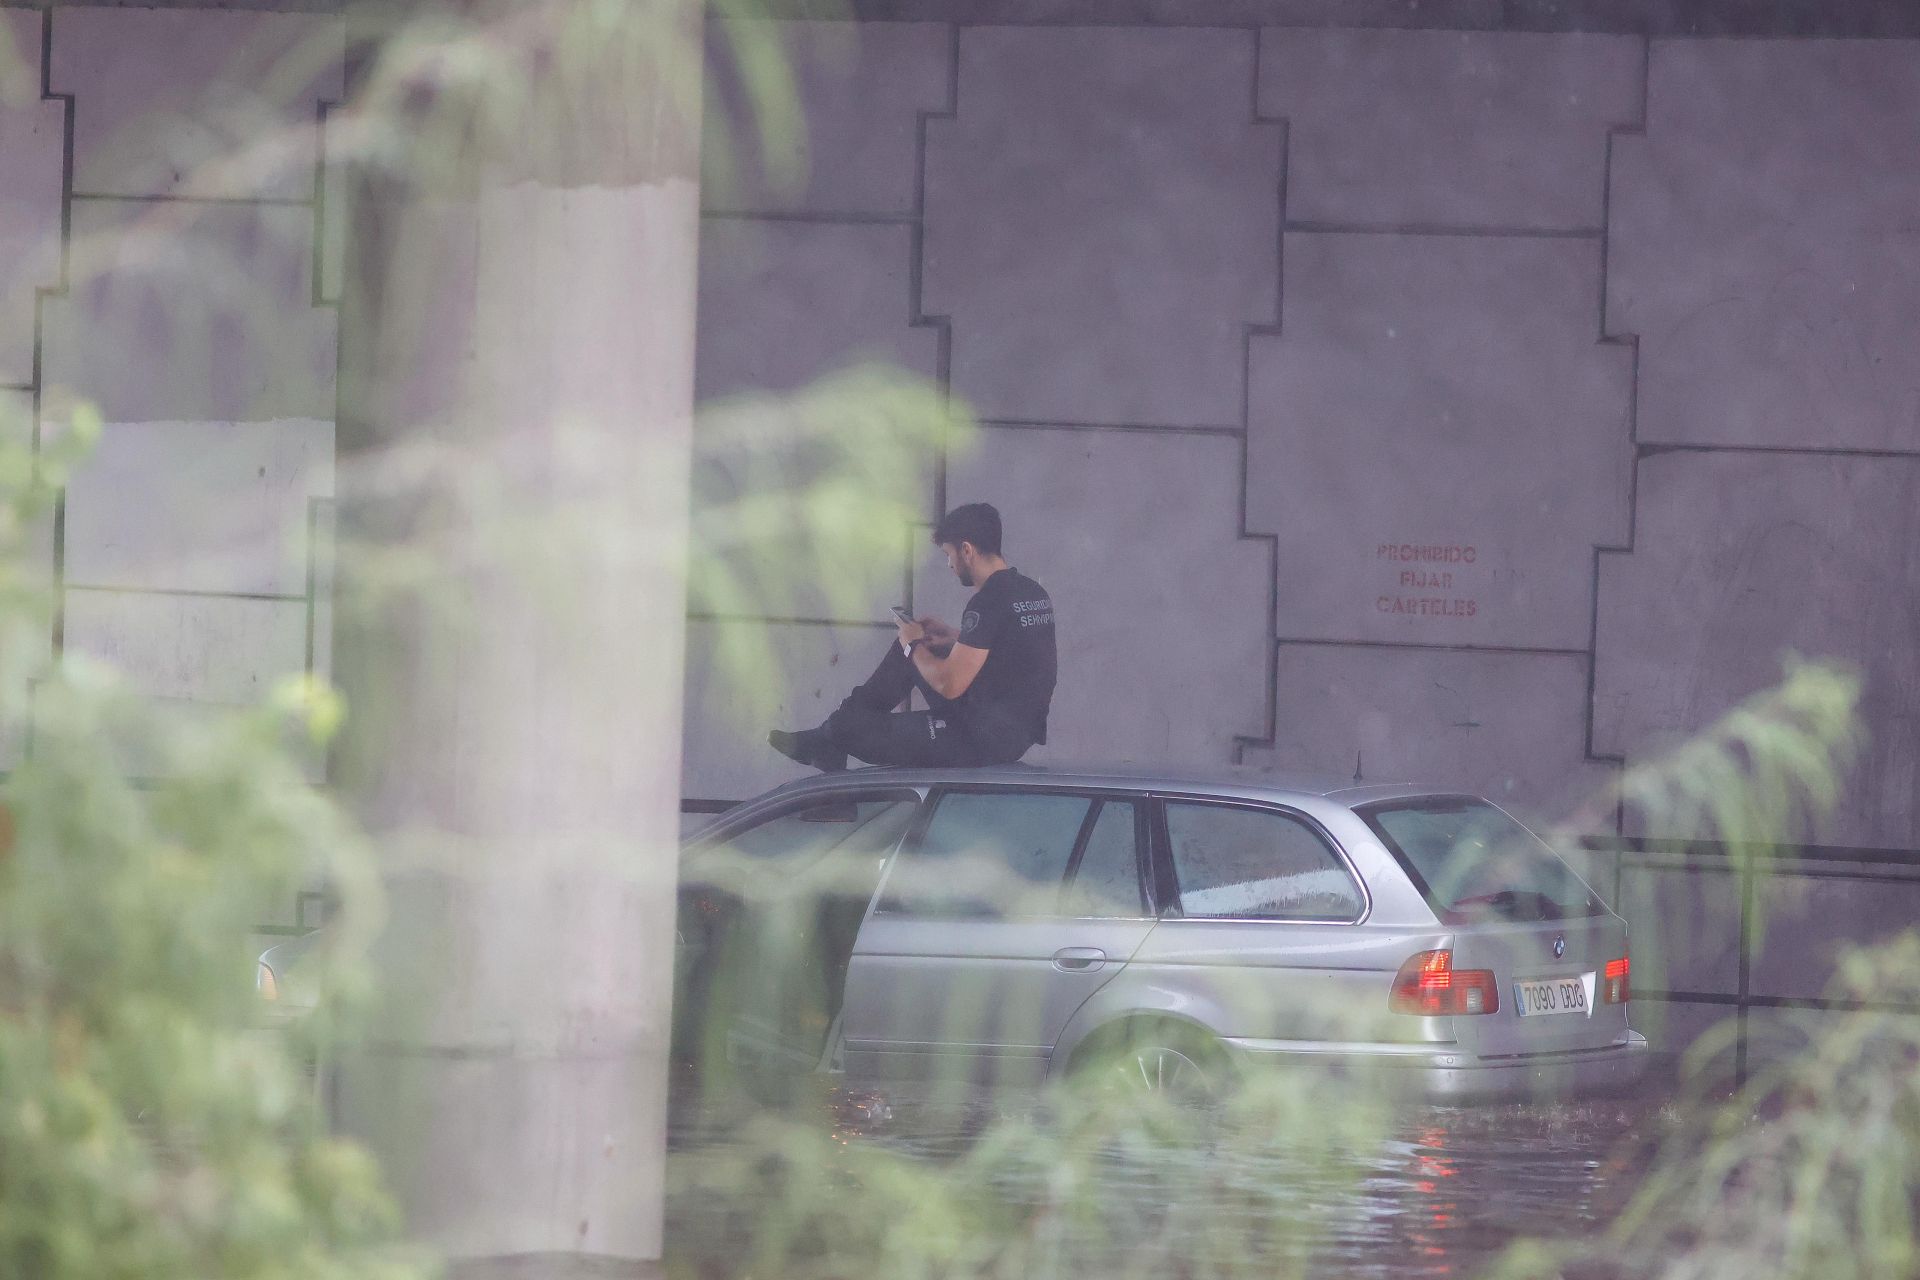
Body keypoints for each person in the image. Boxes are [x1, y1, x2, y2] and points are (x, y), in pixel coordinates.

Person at [769, 502, 1056, 771]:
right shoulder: (1031, 592)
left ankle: (832, 738)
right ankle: (830, 737)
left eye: (948, 554)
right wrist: (953, 637)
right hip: (1014, 729)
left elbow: (950, 684)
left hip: (981, 740)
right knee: (918, 649)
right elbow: (1011, 653)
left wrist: (913, 645)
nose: (949, 564)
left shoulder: (988, 601)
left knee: (854, 724)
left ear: (966, 550)